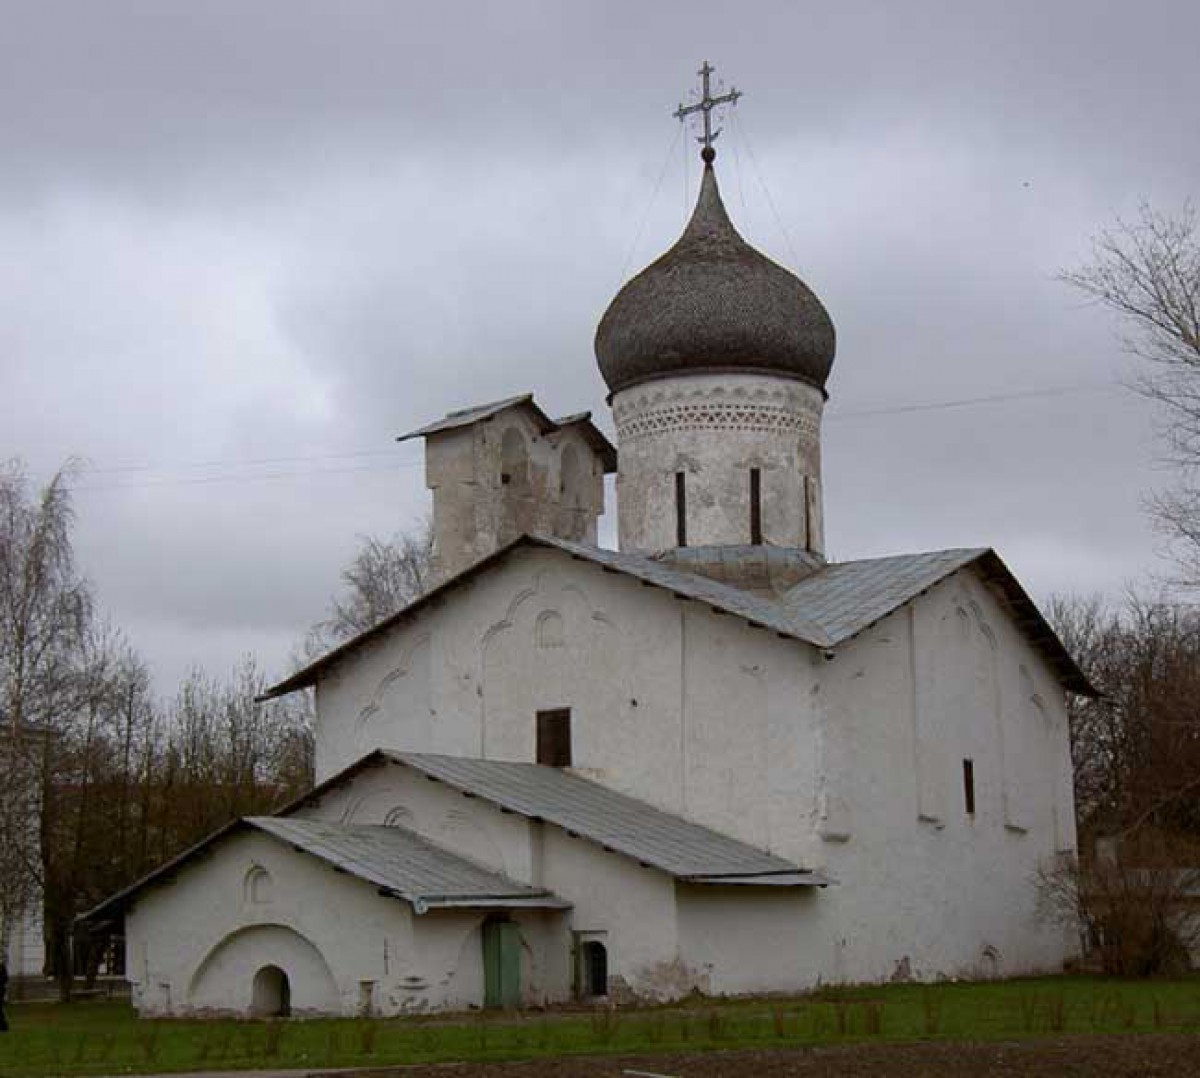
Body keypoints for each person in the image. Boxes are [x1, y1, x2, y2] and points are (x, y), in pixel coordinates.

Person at [0, 957, 8, 1032]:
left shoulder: (2, 966)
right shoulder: (2, 966)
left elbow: (5, 978)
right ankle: (3, 1026)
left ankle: (3, 1026)